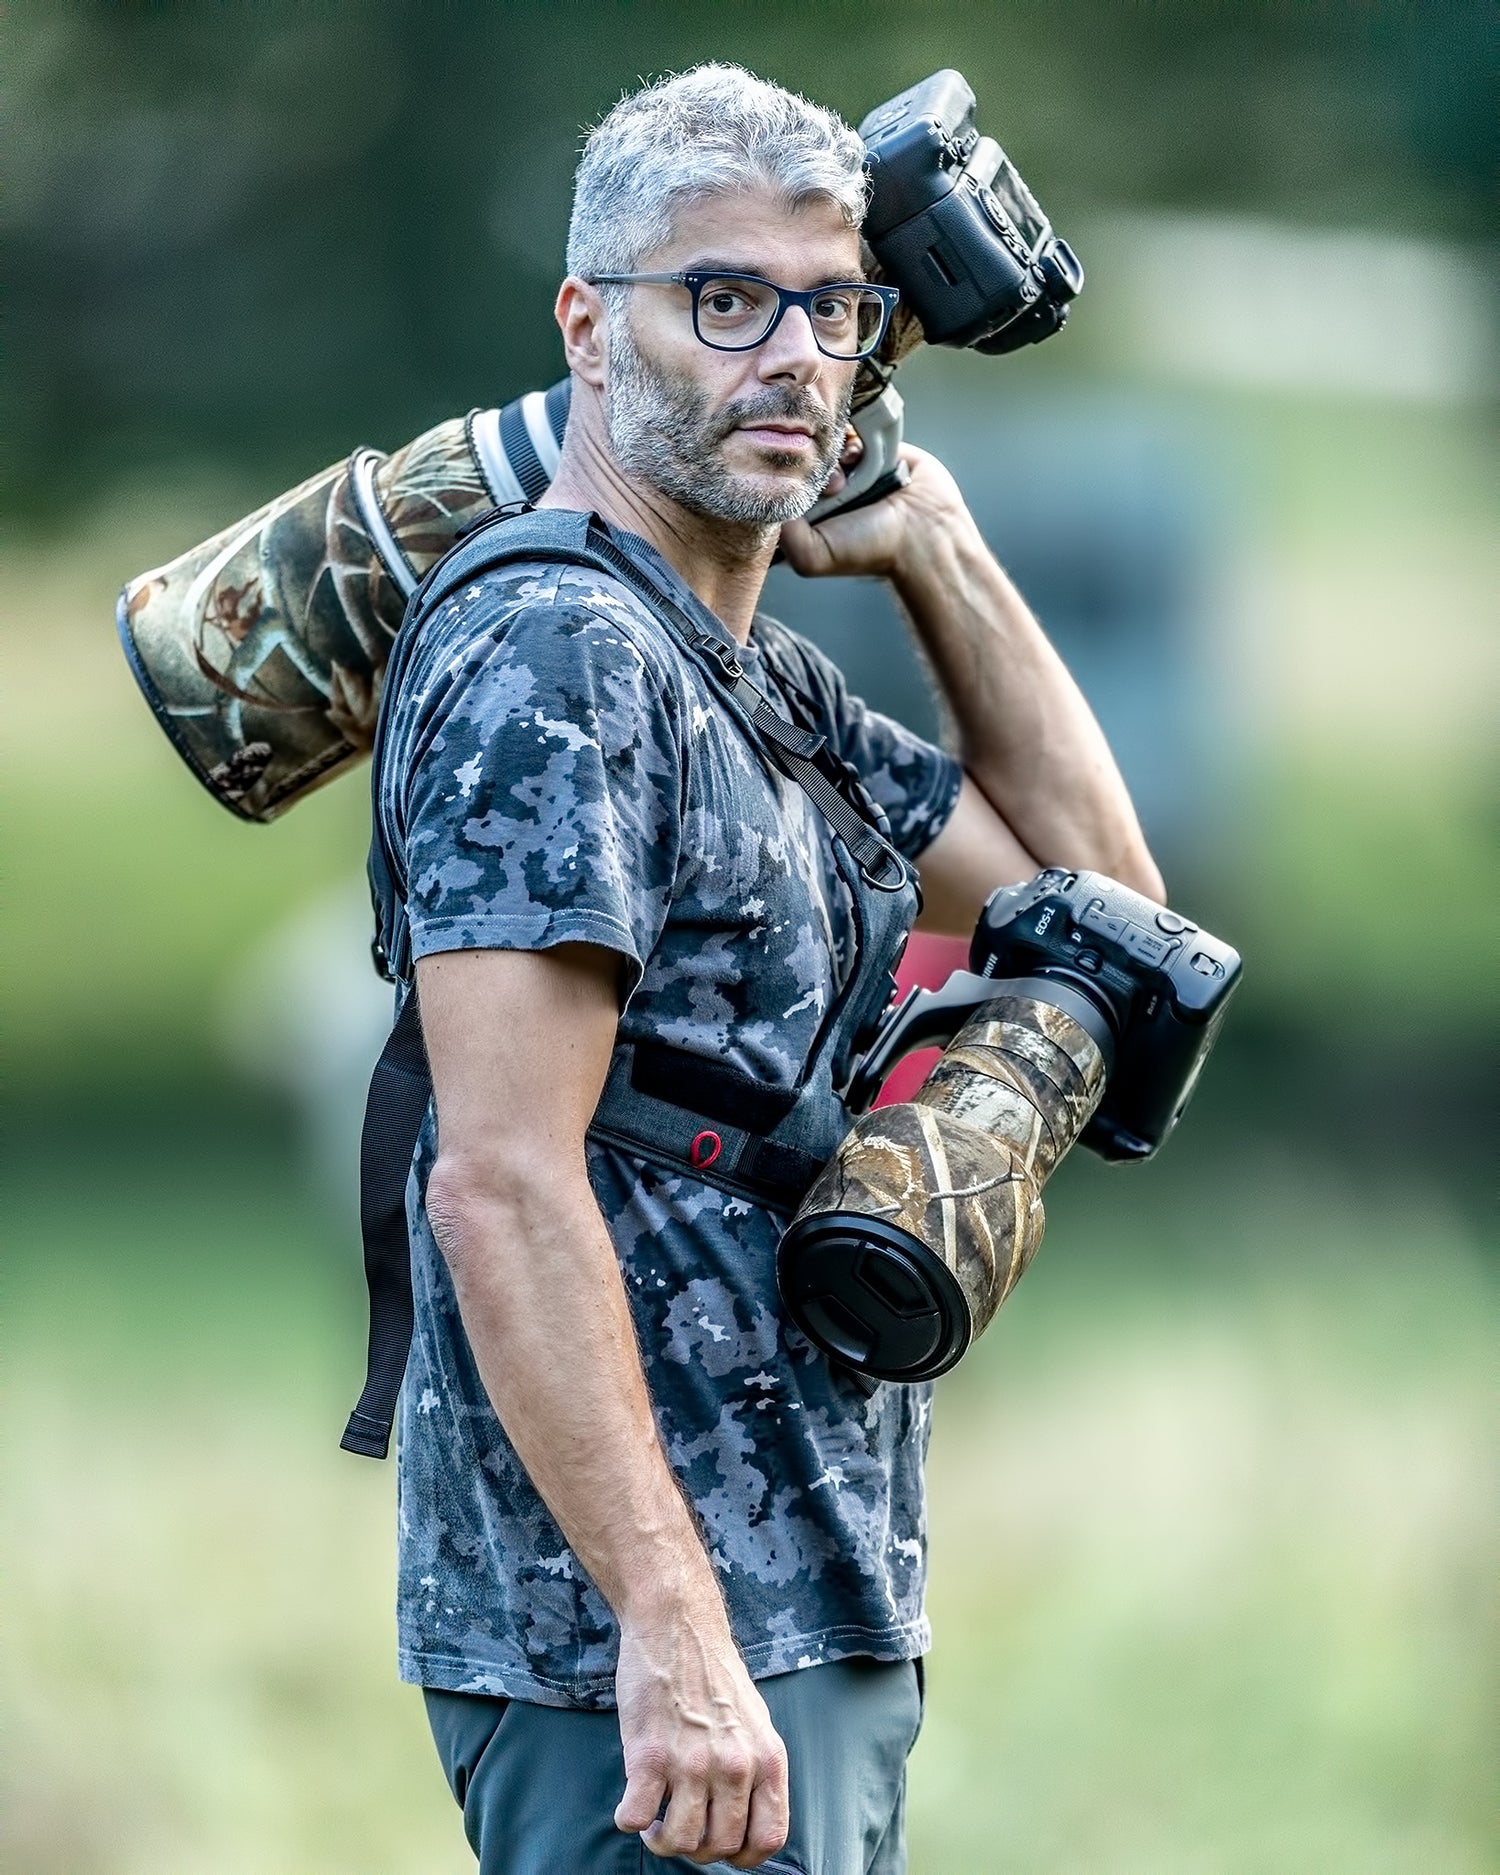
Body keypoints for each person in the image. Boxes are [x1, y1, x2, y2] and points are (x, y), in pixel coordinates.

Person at [386, 63, 1162, 1874]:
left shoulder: (749, 675)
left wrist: (935, 549)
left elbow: (1113, 917)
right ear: (588, 324)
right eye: (723, 300)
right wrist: (672, 1632)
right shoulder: (558, 658)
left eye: (837, 310)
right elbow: (498, 1182)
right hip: (645, 1670)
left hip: (804, 1590)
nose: (794, 356)